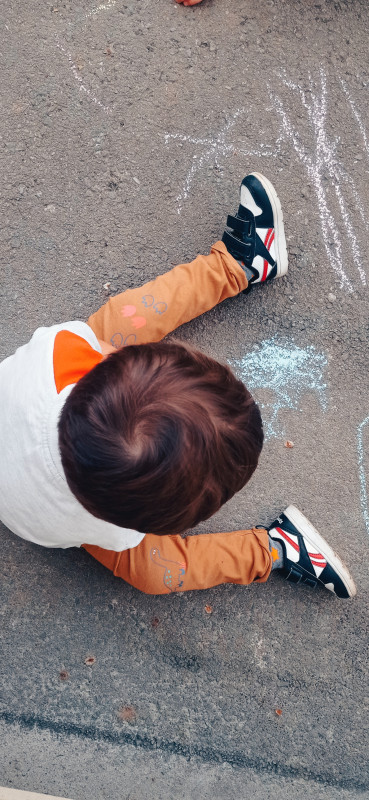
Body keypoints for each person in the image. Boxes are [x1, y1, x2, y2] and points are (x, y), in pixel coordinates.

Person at [0, 173, 356, 599]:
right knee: (154, 573)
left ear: (110, 360)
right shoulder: (117, 533)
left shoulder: (59, 354)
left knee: (118, 323)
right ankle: (272, 549)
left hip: (33, 500)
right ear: (148, 527)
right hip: (49, 513)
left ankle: (240, 266)